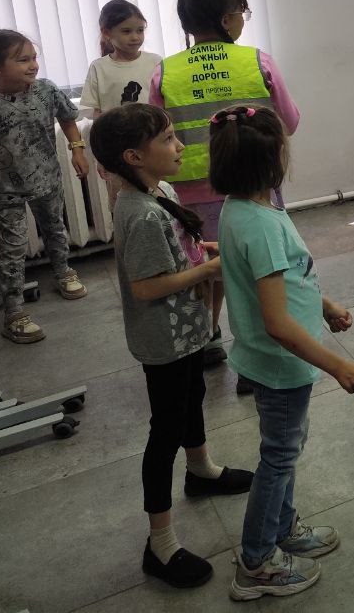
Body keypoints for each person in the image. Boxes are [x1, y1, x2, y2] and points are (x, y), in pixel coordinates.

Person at [209, 105, 354, 600]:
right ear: (273, 161)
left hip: (273, 359)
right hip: (281, 363)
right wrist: (339, 364)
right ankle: (256, 563)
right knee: (279, 458)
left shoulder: (243, 209)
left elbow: (287, 278)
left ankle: (281, 529)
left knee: (286, 447)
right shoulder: (262, 225)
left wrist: (324, 304)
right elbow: (278, 323)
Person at [89, 103, 254, 589]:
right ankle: (159, 544)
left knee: (193, 397)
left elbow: (178, 252)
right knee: (165, 431)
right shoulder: (139, 212)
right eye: (166, 140)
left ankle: (200, 471)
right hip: (164, 337)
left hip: (187, 328)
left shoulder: (159, 191)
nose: (180, 146)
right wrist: (208, 270)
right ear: (133, 157)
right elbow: (145, 287)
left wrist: (206, 254)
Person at [150, 0, 300, 370]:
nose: (242, 20)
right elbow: (290, 121)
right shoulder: (257, 62)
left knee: (207, 265)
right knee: (260, 268)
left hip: (190, 195)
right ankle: (259, 351)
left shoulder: (165, 72)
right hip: (255, 187)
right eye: (241, 13)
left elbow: (155, 137)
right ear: (225, 19)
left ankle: (208, 337)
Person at [0, 30, 89, 344]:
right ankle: (14, 313)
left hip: (46, 177)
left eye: (34, 58)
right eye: (22, 60)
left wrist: (77, 150)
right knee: (12, 249)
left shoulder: (46, 90)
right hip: (4, 190)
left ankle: (63, 272)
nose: (33, 65)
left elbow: (68, 119)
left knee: (54, 228)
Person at [80, 0, 162, 117]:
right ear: (107, 33)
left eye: (140, 30)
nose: (135, 37)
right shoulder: (98, 67)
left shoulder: (155, 62)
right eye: (126, 31)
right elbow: (96, 112)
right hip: (114, 128)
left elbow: (164, 103)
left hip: (152, 127)